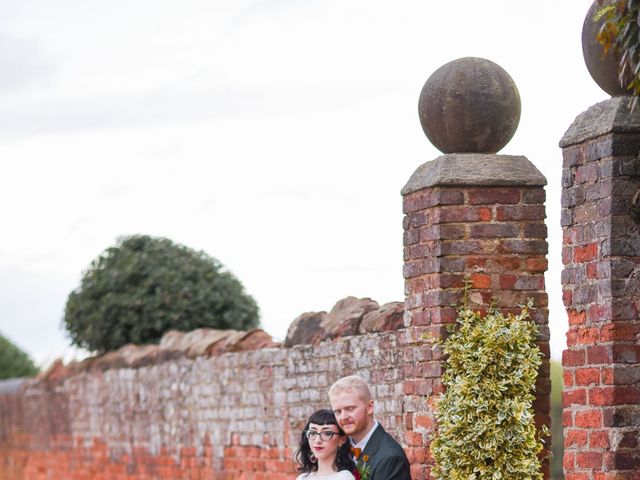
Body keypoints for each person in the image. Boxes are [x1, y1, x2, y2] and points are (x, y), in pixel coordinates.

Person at [329, 375, 411, 480]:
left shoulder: (391, 458)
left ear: (370, 407)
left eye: (350, 408)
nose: (343, 417)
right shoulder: (337, 448)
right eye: (338, 411)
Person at [295, 409, 356, 479]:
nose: (317, 440)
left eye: (327, 433)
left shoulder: (344, 477)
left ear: (342, 439)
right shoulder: (302, 478)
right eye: (313, 433)